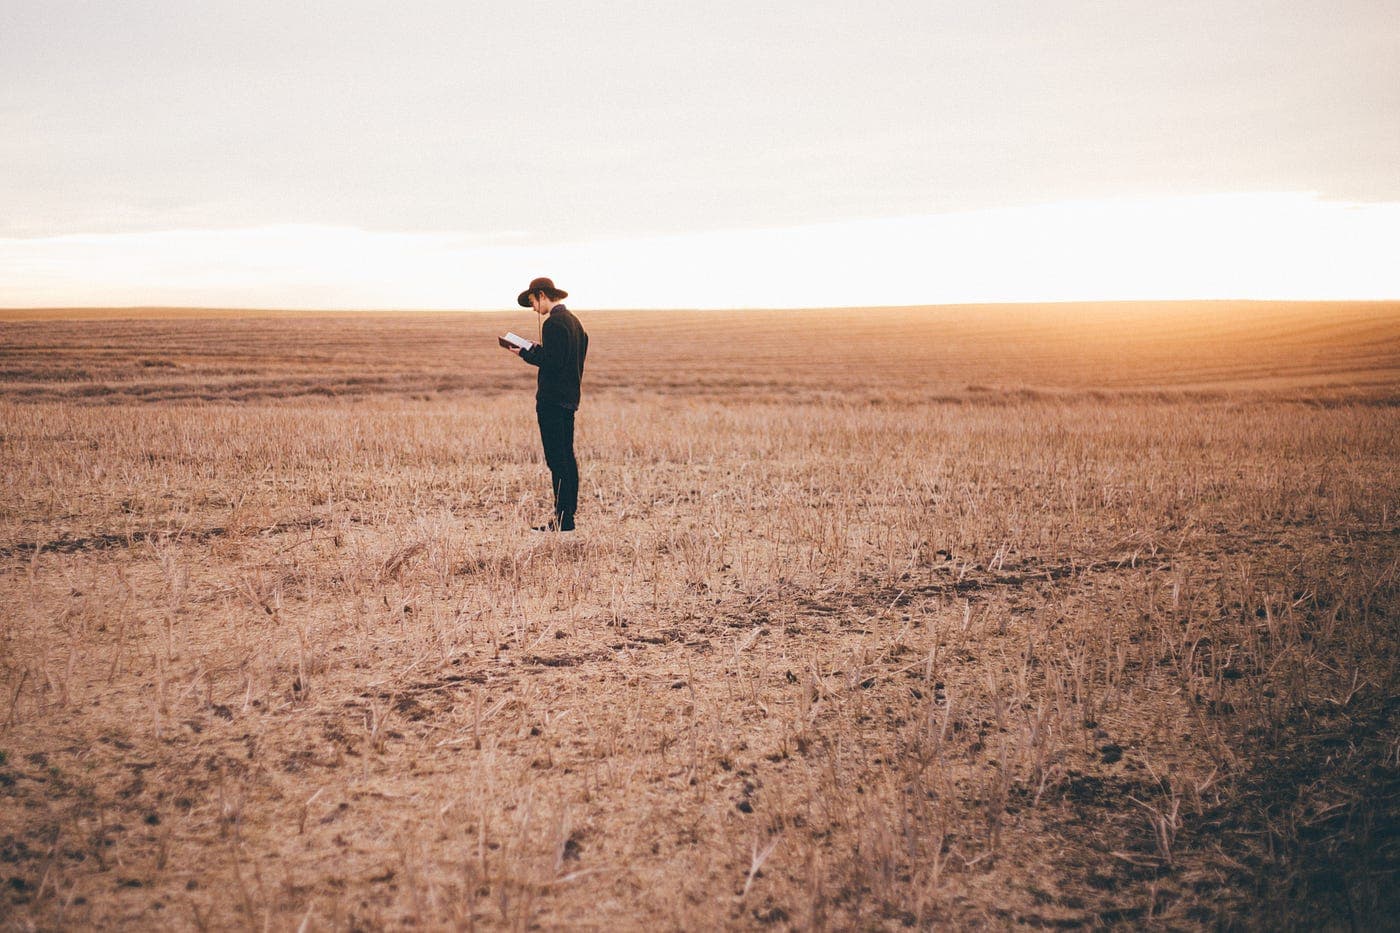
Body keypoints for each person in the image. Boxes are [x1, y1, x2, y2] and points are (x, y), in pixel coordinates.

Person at [507, 277, 589, 532]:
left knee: (557, 459)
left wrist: (524, 352)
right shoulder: (575, 323)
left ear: (542, 295)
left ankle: (563, 520)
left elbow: (552, 362)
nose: (533, 308)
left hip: (552, 400)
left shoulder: (554, 323)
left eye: (532, 301)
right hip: (570, 398)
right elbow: (568, 358)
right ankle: (568, 516)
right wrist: (539, 350)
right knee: (567, 456)